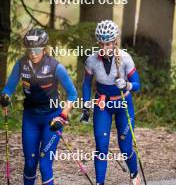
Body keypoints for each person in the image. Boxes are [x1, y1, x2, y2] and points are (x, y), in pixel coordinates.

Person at [0, 28, 77, 185]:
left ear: (44, 49)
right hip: (31, 118)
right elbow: (8, 88)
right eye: (29, 50)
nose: (33, 53)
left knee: (44, 165)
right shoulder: (21, 64)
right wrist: (5, 97)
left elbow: (73, 95)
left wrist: (62, 116)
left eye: (36, 49)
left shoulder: (55, 67)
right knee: (29, 164)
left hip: (52, 119)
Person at [80, 20, 141, 185]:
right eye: (101, 43)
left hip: (123, 105)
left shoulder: (126, 58)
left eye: (108, 43)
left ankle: (134, 173)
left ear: (115, 42)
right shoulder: (92, 60)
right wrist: (86, 106)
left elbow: (137, 85)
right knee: (101, 146)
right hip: (102, 105)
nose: (104, 47)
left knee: (126, 147)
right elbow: (86, 84)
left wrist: (128, 84)